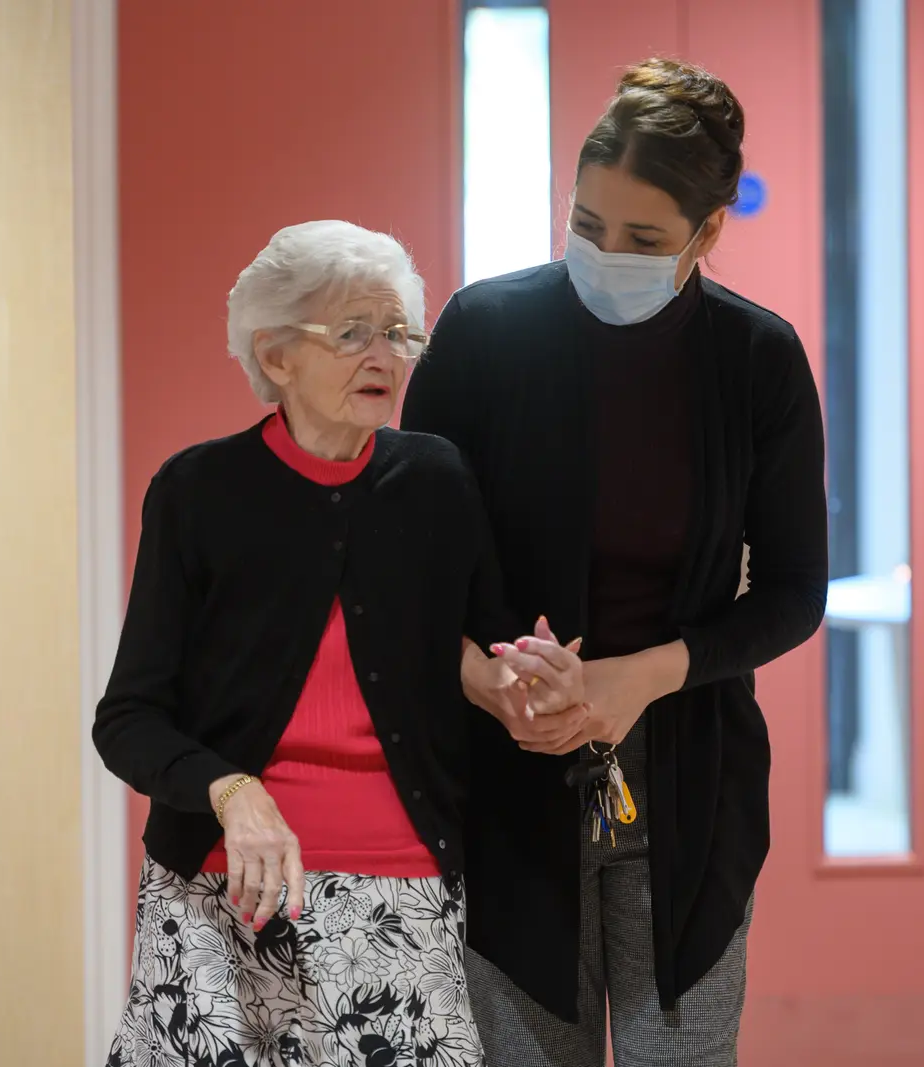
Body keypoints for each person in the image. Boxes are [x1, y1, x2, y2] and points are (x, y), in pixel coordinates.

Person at [404, 58, 830, 1067]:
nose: (606, 255)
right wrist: (486, 680)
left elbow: (791, 593)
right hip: (502, 791)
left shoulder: (756, 361)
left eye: (642, 239)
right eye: (587, 226)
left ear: (707, 233)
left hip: (689, 787)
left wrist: (636, 678)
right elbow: (402, 568)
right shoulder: (482, 332)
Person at [92, 220, 586, 1067]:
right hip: (218, 891)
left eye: (398, 333)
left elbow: (485, 656)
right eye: (352, 332)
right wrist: (230, 789)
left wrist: (528, 680)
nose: (384, 355)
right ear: (276, 356)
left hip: (402, 887)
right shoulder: (198, 491)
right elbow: (128, 718)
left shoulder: (436, 481)